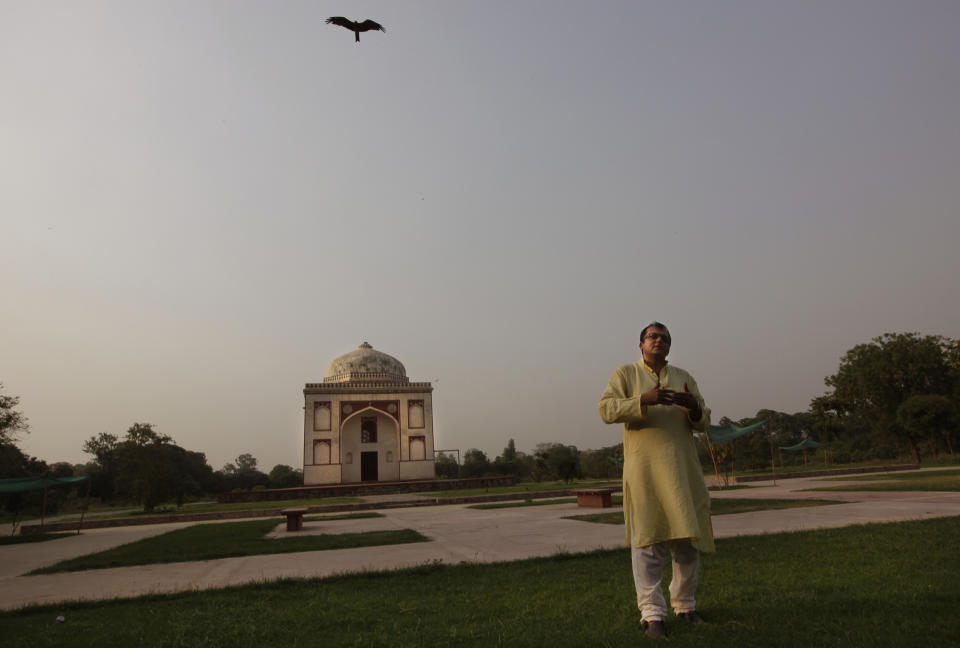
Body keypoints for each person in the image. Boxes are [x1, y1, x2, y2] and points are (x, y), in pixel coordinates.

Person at [598, 321, 714, 639]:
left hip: (682, 471)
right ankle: (652, 615)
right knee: (647, 543)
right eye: (652, 337)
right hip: (645, 472)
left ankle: (685, 605)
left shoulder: (684, 377)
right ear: (641, 345)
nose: (658, 341)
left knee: (687, 543)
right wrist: (643, 400)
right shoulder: (625, 374)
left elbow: (704, 419)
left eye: (664, 338)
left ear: (669, 345)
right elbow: (606, 409)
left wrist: (694, 408)